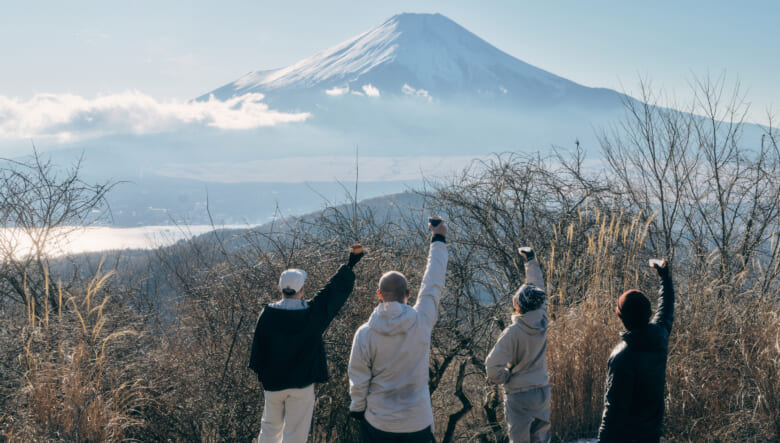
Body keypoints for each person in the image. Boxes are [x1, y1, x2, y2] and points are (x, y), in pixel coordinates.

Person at [249, 244, 365, 443]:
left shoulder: (267, 314)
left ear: (280, 288)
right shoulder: (311, 314)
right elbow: (332, 292)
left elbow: (257, 351)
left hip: (273, 383)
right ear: (302, 289)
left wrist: (263, 374)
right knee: (295, 435)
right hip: (301, 385)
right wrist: (350, 264)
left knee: (269, 431)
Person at [348, 219, 448, 442]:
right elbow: (433, 282)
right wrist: (438, 239)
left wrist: (357, 408)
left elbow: (359, 377)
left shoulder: (365, 334)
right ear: (409, 293)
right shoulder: (422, 321)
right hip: (417, 421)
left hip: (378, 421)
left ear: (379, 294)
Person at [597, 259, 675, 443]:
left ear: (621, 317)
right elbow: (666, 308)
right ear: (648, 313)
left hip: (626, 436)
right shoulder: (659, 337)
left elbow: (613, 410)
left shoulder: (621, 357)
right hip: (651, 432)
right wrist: (664, 277)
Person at [485, 247, 551, 443]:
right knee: (541, 439)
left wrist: (505, 377)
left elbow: (491, 366)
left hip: (519, 395)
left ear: (520, 305)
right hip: (542, 391)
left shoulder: (513, 333)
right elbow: (537, 288)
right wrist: (531, 260)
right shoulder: (542, 319)